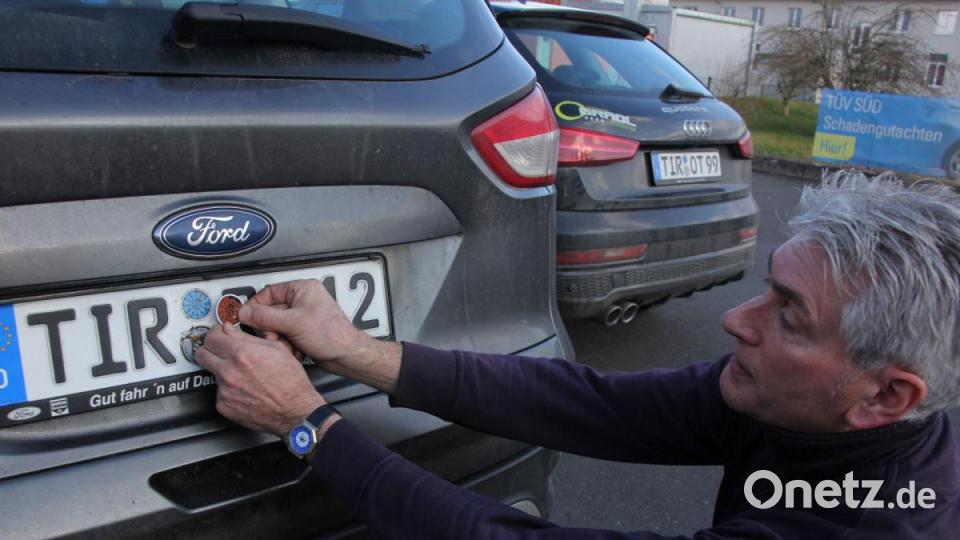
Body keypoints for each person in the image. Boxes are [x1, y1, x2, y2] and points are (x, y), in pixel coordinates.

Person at [196, 172, 960, 539]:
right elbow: (588, 404)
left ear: (886, 396)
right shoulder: (806, 401)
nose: (736, 320)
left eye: (790, 318)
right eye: (768, 291)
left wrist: (307, 424)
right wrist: (358, 352)